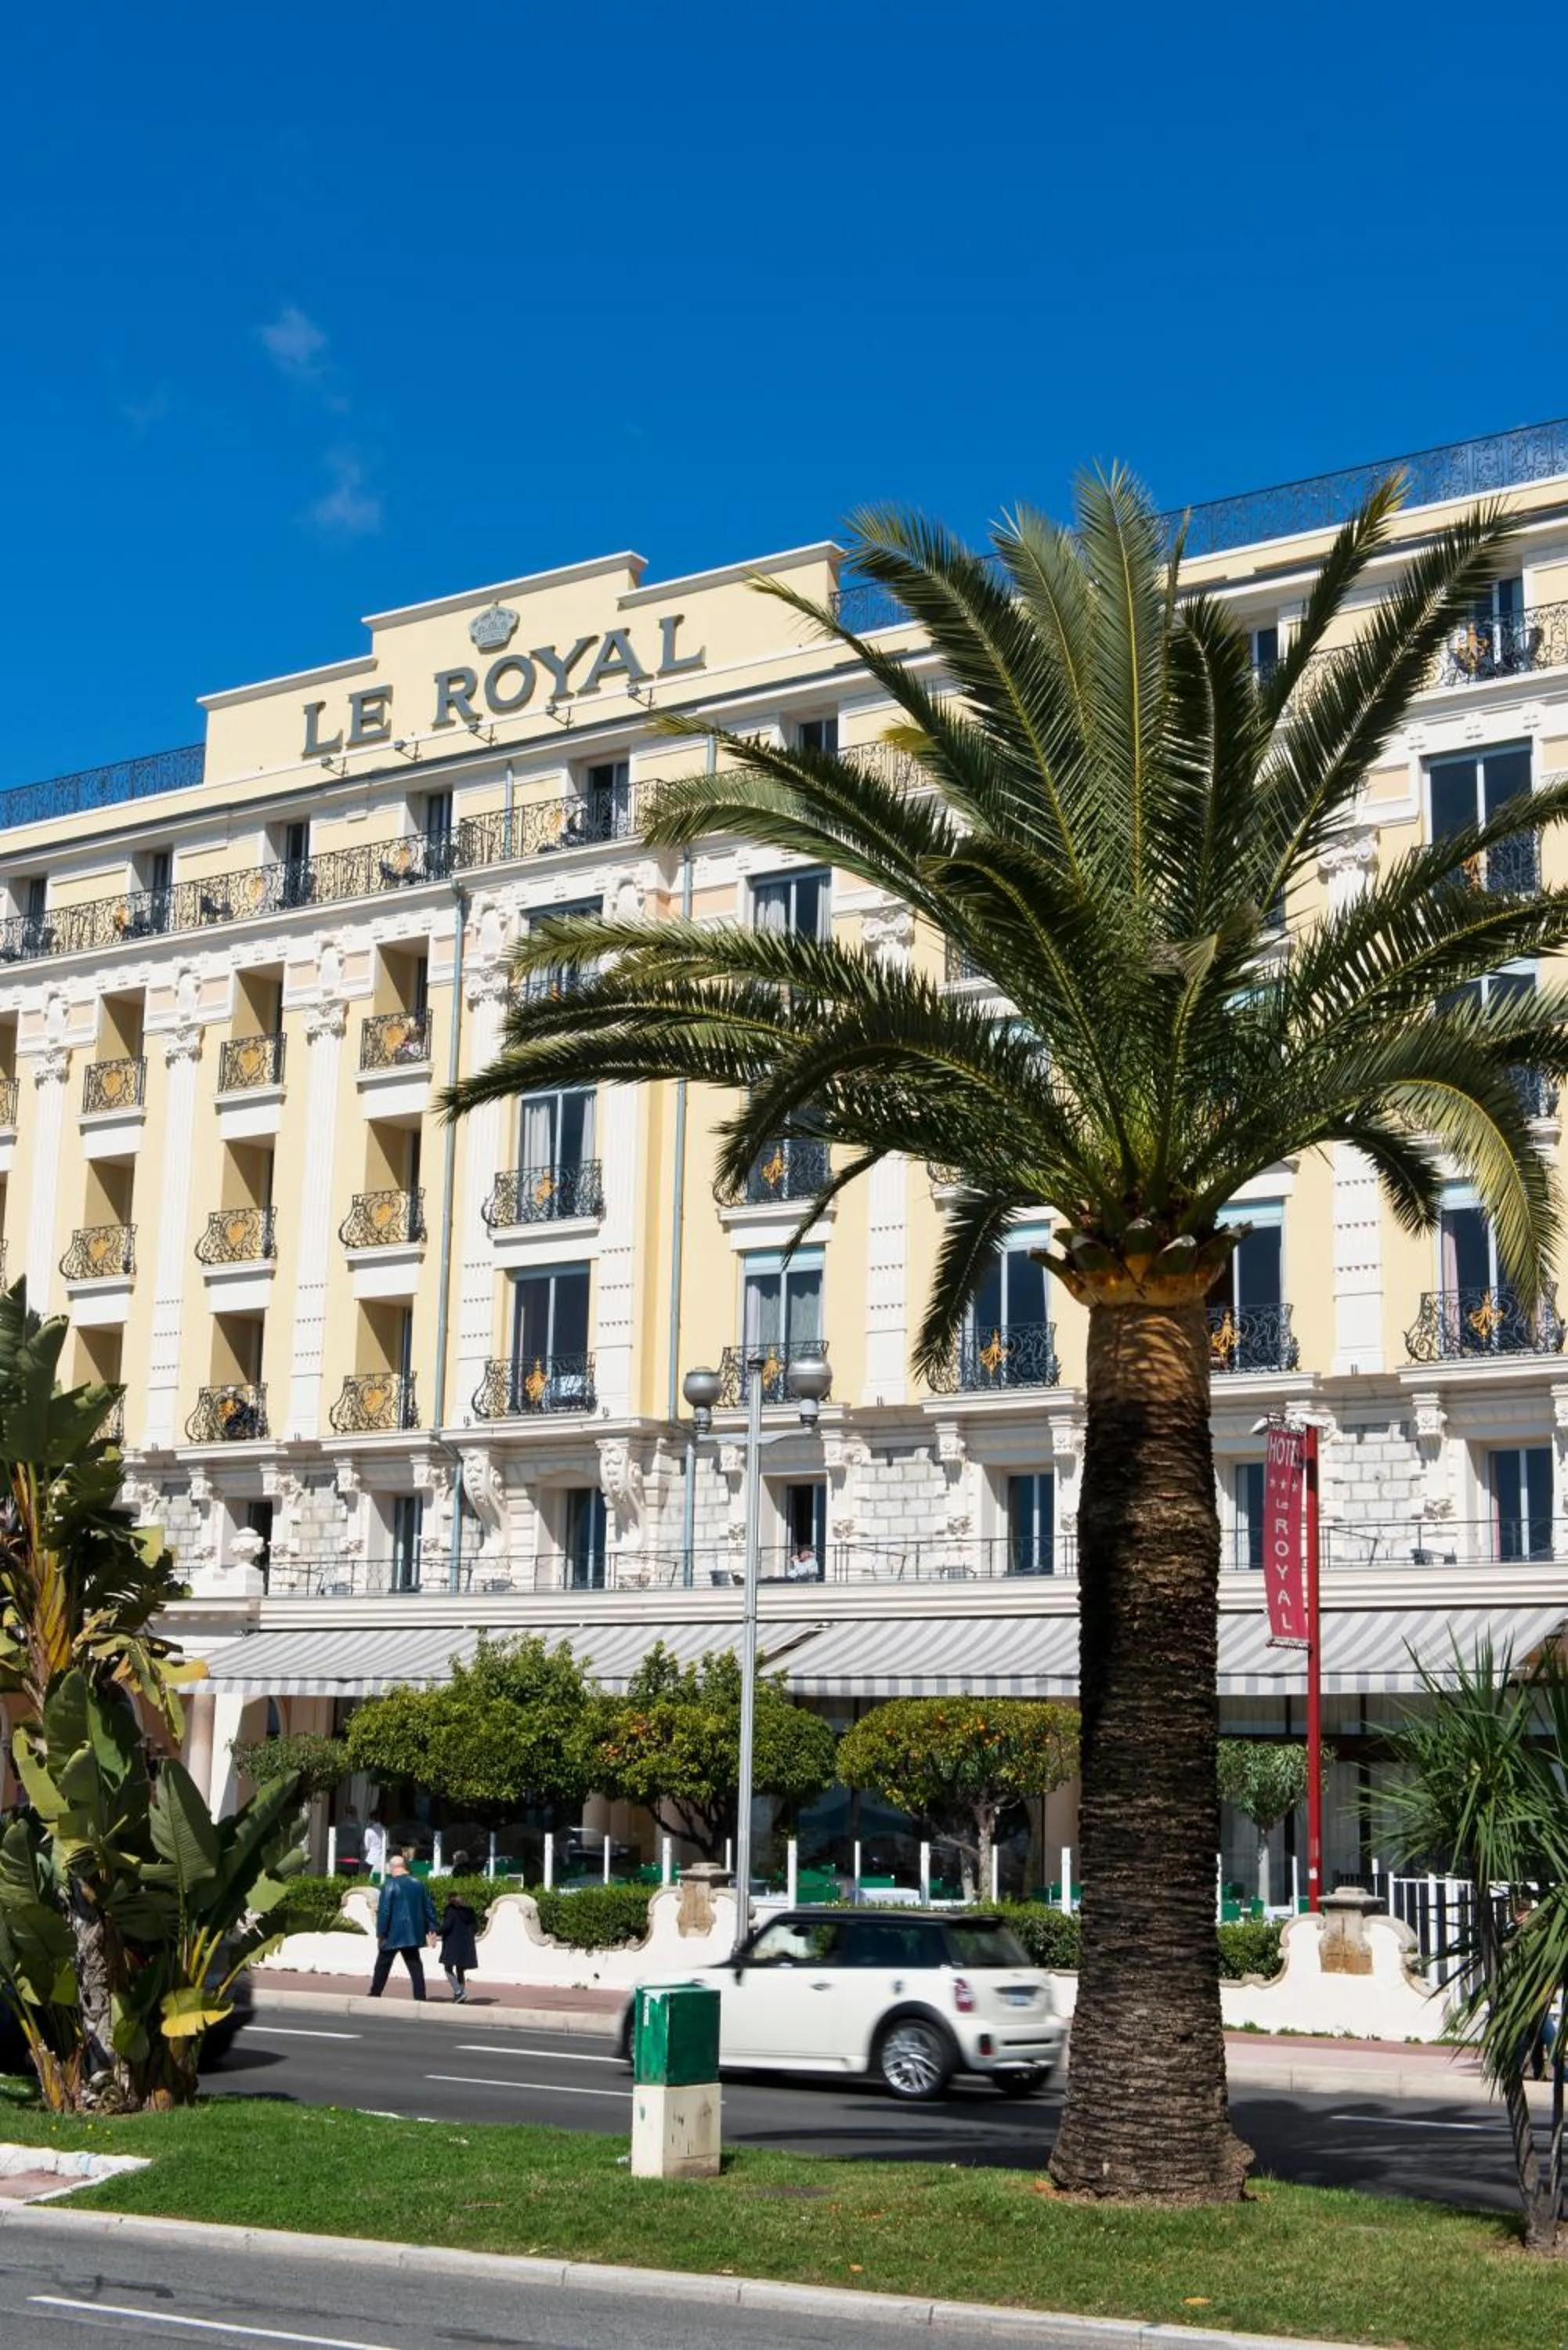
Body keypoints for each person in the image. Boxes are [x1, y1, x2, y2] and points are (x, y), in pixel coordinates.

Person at [368, 1855, 439, 2000]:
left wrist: (381, 1933)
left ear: (393, 1867)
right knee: (415, 1966)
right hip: (412, 1933)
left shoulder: (389, 1885)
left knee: (383, 1965)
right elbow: (429, 1908)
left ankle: (375, 1992)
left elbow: (385, 1912)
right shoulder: (419, 1884)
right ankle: (420, 1996)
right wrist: (432, 1927)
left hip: (392, 1934)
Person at [439, 1885, 480, 2003]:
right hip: (466, 1944)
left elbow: (447, 1925)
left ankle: (458, 1992)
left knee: (447, 1967)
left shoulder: (451, 1909)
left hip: (452, 1942)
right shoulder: (469, 1909)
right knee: (460, 1969)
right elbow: (475, 1927)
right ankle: (461, 1995)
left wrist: (437, 1931)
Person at [362, 1813, 388, 1882]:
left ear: (371, 1820)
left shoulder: (368, 1831)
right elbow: (387, 1846)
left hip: (371, 1859)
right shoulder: (385, 1830)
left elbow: (366, 1847)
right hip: (382, 1860)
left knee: (366, 1880)